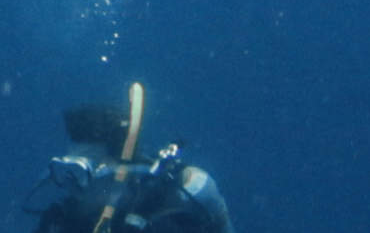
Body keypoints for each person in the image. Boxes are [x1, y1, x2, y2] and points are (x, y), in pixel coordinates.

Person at [29, 100, 233, 233]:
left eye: (82, 172)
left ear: (118, 171)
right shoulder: (63, 224)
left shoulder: (171, 206)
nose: (71, 187)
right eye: (66, 172)